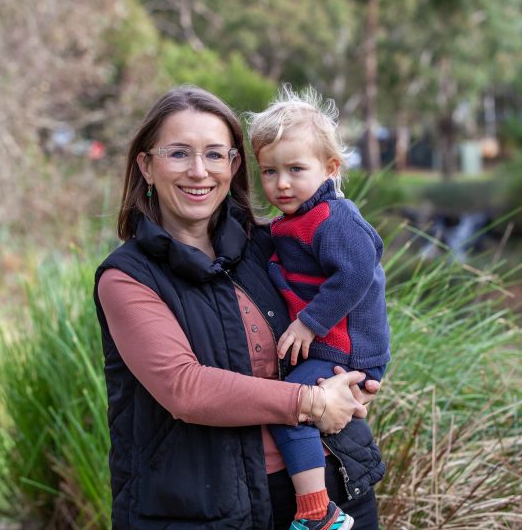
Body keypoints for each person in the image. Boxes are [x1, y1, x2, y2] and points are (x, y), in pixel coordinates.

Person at [92, 85, 385, 529]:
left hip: (338, 493)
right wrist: (310, 401)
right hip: (205, 513)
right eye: (178, 154)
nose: (198, 171)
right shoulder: (128, 278)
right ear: (146, 166)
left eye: (214, 154)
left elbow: (362, 287)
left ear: (233, 166)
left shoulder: (274, 242)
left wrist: (357, 378)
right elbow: (185, 389)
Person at [248, 86, 390, 530]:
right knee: (295, 406)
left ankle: (318, 513)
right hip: (330, 346)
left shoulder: (334, 218)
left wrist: (309, 323)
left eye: (295, 169)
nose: (281, 183)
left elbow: (357, 273)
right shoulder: (293, 221)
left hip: (344, 350)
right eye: (269, 171)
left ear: (330, 169)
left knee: (294, 413)